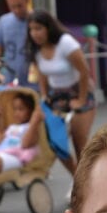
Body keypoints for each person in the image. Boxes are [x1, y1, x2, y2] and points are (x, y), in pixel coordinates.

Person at [28, 10, 95, 167]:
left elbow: (84, 71)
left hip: (79, 90)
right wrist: (44, 97)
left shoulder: (65, 42)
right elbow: (42, 75)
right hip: (57, 95)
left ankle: (86, 177)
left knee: (79, 140)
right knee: (55, 142)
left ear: (48, 28)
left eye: (38, 28)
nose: (34, 33)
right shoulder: (36, 49)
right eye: (31, 29)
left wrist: (81, 99)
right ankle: (76, 176)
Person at [0, 0, 32, 85]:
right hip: (11, 79)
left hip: (34, 79)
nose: (17, 10)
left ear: (27, 1)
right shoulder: (3, 21)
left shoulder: (37, 20)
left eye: (20, 6)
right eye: (12, 7)